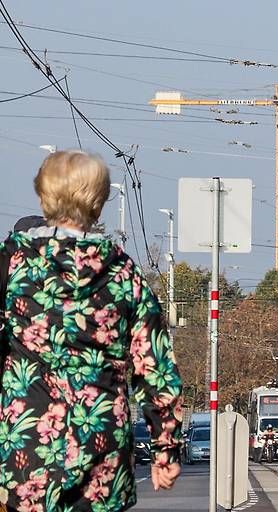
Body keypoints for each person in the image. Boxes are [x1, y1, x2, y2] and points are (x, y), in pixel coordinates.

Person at [0, 150, 182, 511]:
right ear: (99, 203)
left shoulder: (11, 263)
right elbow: (154, 365)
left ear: (43, 196)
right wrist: (165, 446)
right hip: (103, 451)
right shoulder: (123, 274)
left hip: (28, 448)